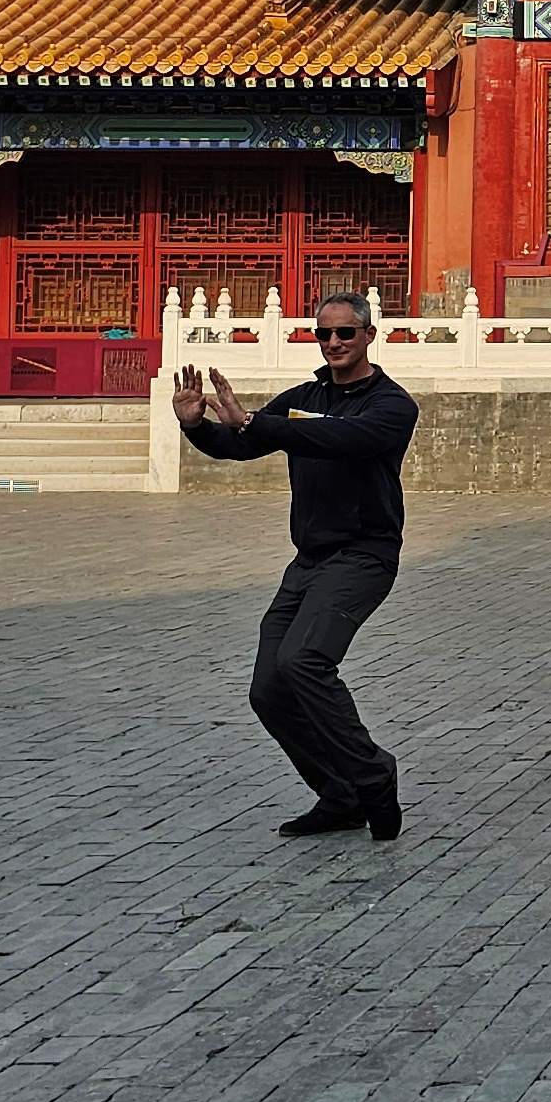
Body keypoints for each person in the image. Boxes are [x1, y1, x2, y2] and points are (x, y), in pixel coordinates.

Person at [173, 291, 421, 841]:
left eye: (345, 334)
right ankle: (338, 794)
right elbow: (242, 442)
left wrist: (263, 423)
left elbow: (343, 440)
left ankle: (373, 773)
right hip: (308, 560)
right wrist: (197, 427)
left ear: (368, 336)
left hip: (364, 555)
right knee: (269, 689)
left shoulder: (392, 405)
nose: (333, 343)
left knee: (305, 661)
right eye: (323, 334)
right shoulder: (305, 396)